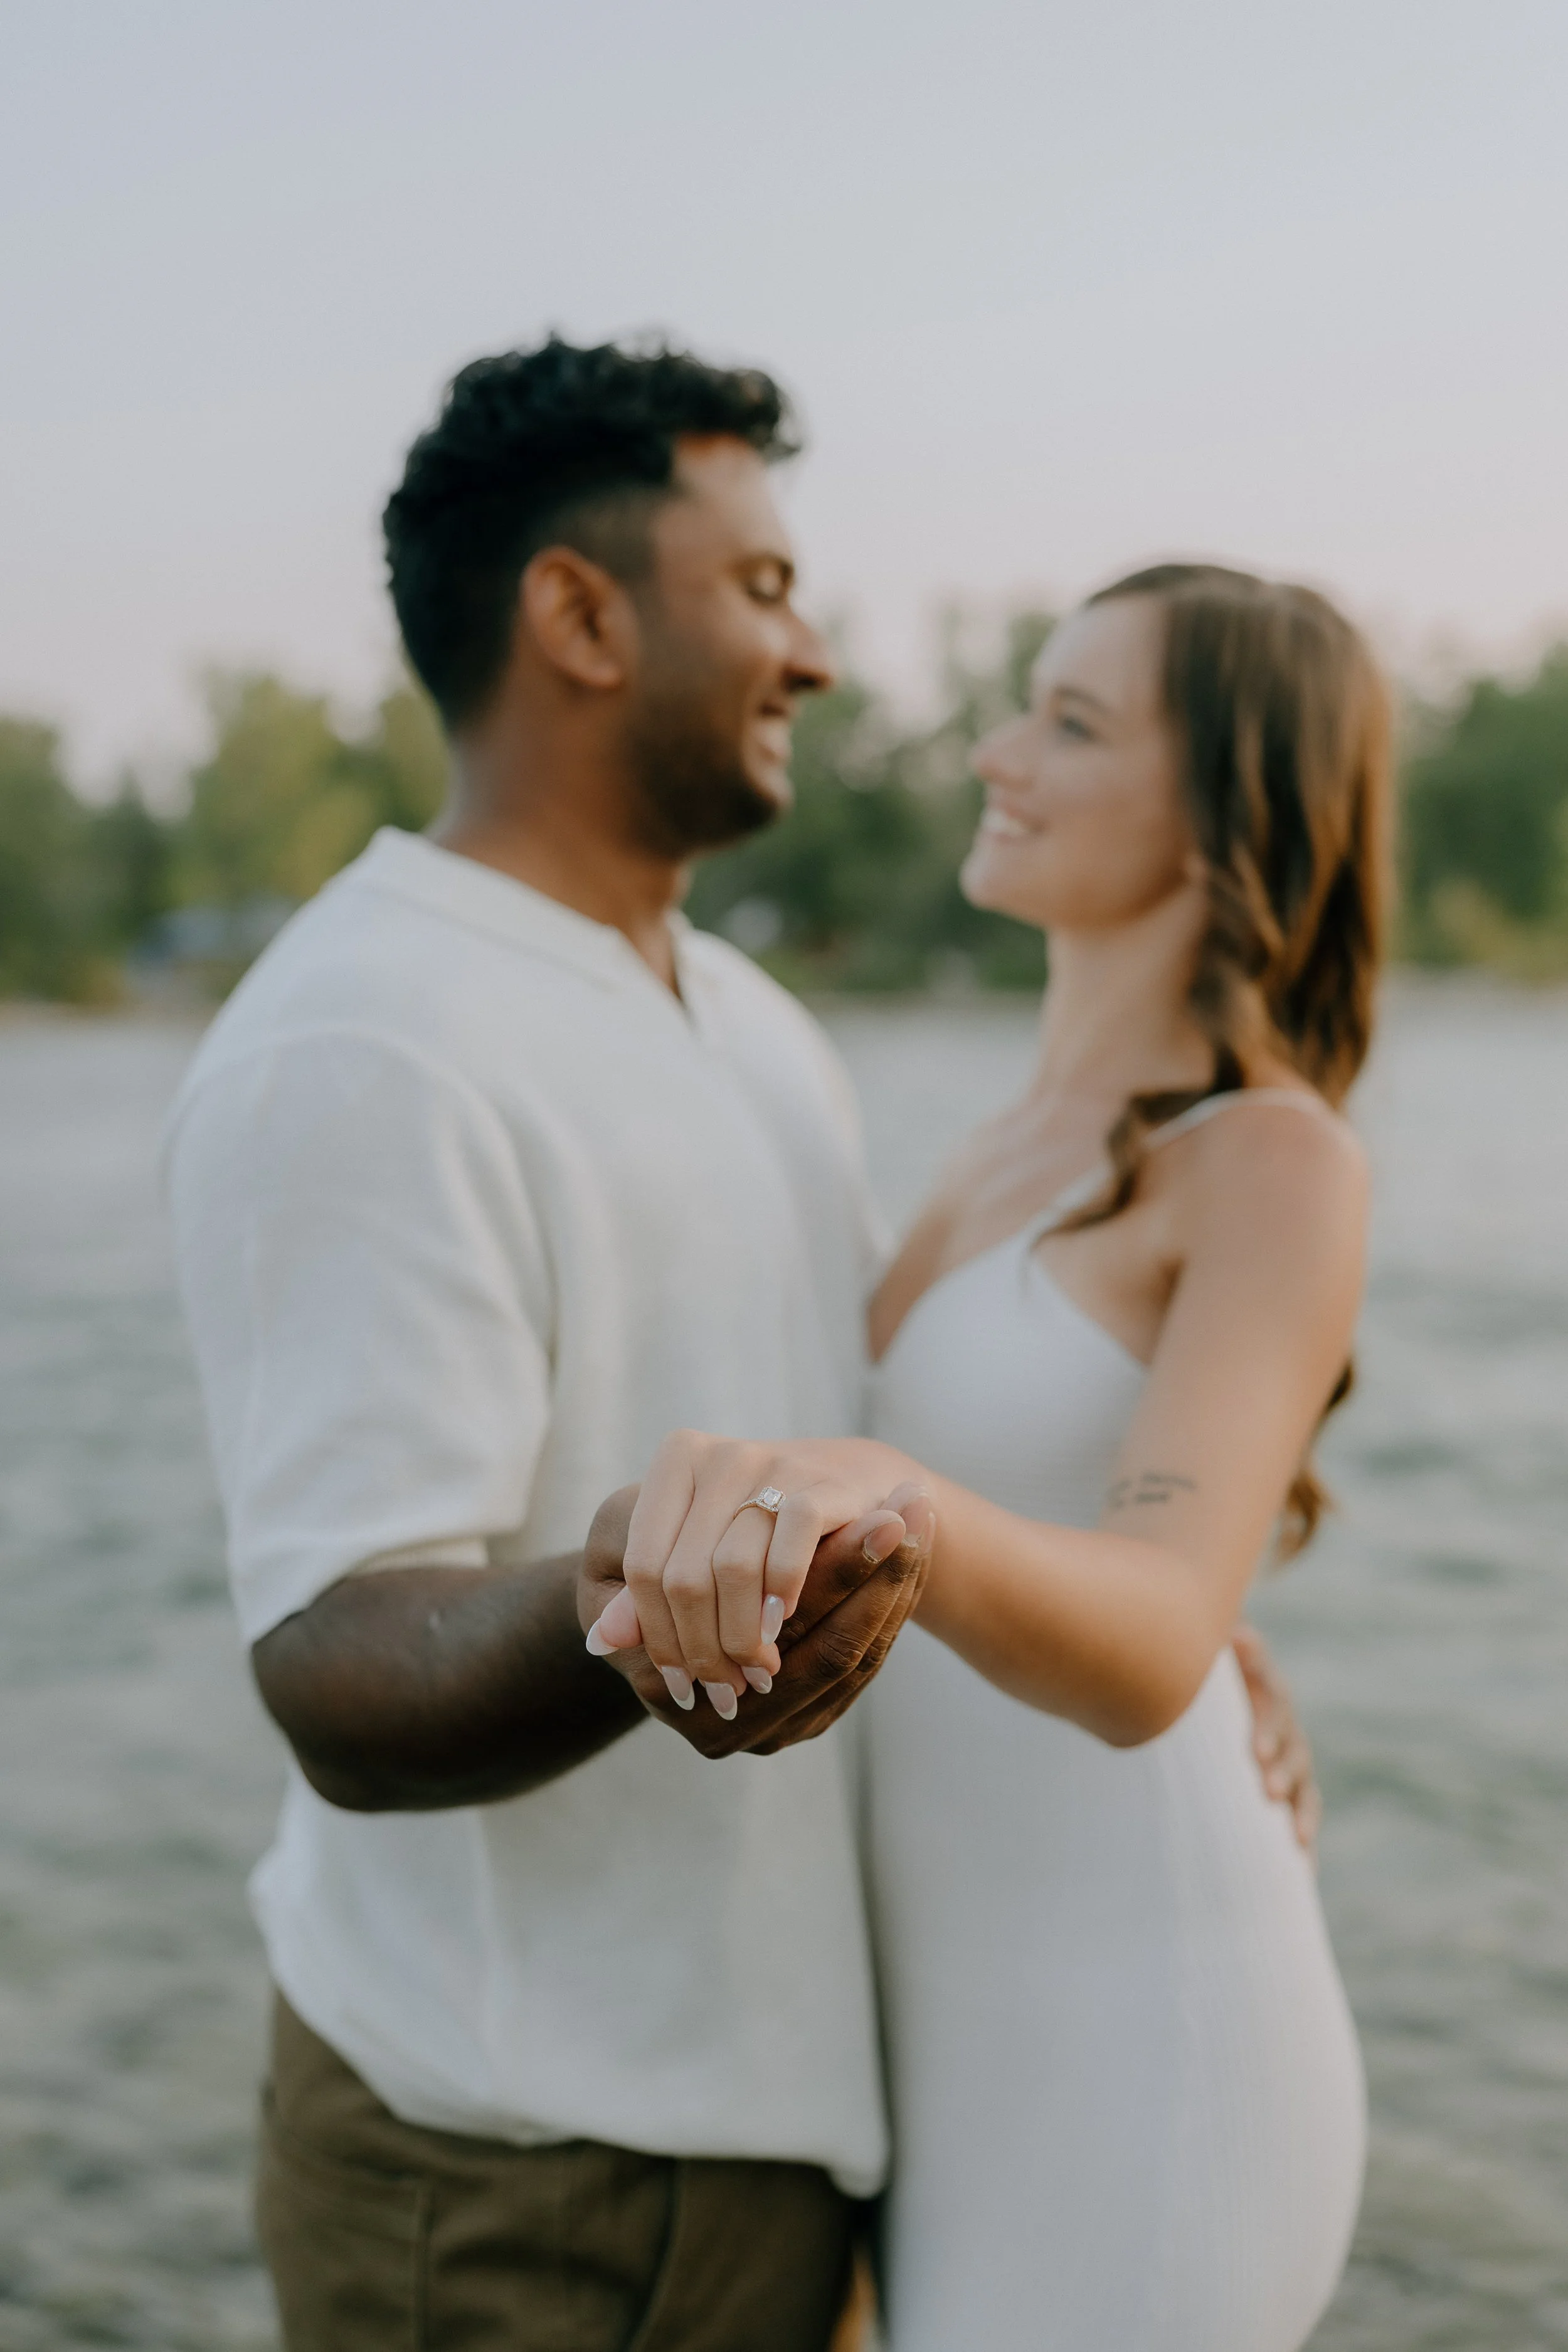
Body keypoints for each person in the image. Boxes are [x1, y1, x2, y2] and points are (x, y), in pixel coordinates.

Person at [166, 335, 1317, 2350]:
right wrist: (634, 1593)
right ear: (581, 615)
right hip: (514, 2166)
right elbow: (336, 1667)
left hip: (802, 2133)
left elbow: (882, 1435)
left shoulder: (756, 1029)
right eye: (764, 586)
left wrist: (1170, 1603)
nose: (818, 655)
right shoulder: (366, 1033)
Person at [594, 563, 1387, 2350]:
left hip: (1144, 2032)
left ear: (1228, 813)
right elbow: (1068, 1524)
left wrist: (901, 1505)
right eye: (1027, 704)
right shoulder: (990, 1149)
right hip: (943, 2028)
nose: (995, 753)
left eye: (1071, 723)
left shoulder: (1270, 1158)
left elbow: (1154, 1639)